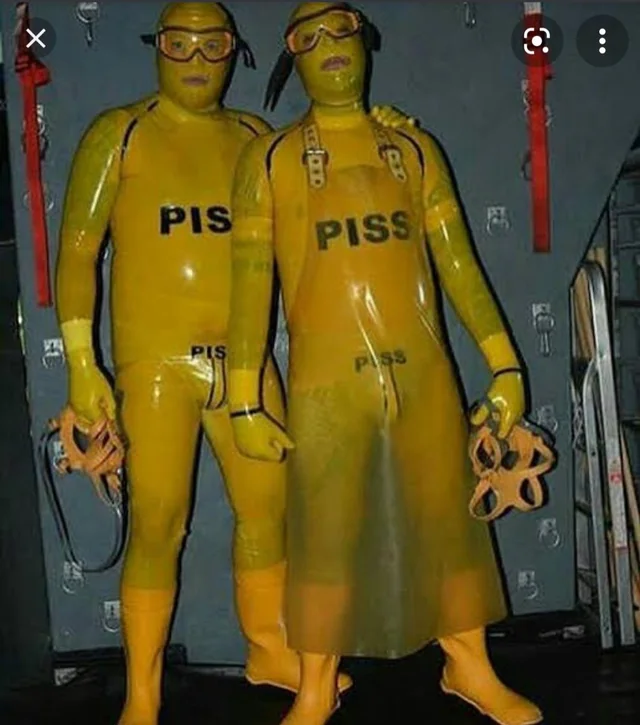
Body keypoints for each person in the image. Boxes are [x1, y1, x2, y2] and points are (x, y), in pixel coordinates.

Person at [55, 3, 409, 723]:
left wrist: (378, 135)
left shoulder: (256, 138)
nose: (195, 59)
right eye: (180, 43)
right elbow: (78, 252)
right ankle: (143, 693)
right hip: (157, 365)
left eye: (212, 45)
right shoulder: (120, 133)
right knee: (159, 521)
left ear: (235, 53)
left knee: (269, 510)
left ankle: (269, 648)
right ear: (158, 49)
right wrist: (83, 368)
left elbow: (326, 180)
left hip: (246, 364)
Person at [227, 3, 543, 725]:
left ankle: (469, 665)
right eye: (309, 37)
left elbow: (459, 266)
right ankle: (315, 683)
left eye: (343, 29)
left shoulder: (414, 149)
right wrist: (245, 398)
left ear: (366, 43)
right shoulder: (269, 160)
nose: (330, 45)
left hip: (423, 374)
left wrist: (505, 365)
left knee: (449, 518)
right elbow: (250, 288)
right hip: (325, 385)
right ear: (292, 59)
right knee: (323, 534)